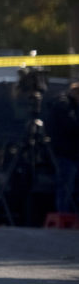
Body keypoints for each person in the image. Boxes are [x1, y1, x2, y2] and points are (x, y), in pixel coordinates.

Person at [46, 83, 79, 214]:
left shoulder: (68, 105)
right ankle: (64, 215)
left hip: (71, 153)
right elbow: (71, 126)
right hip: (67, 153)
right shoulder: (63, 105)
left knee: (70, 187)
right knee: (66, 187)